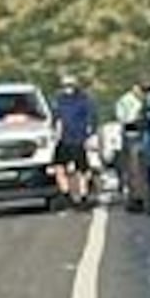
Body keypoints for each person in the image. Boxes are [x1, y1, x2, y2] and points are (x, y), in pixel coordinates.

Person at [50, 75, 95, 205]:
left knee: (82, 168)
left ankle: (82, 194)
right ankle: (67, 193)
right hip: (65, 138)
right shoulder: (60, 100)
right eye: (65, 86)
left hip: (78, 138)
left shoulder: (83, 100)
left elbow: (90, 119)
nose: (67, 88)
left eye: (70, 85)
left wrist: (89, 135)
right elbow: (57, 119)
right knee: (60, 166)